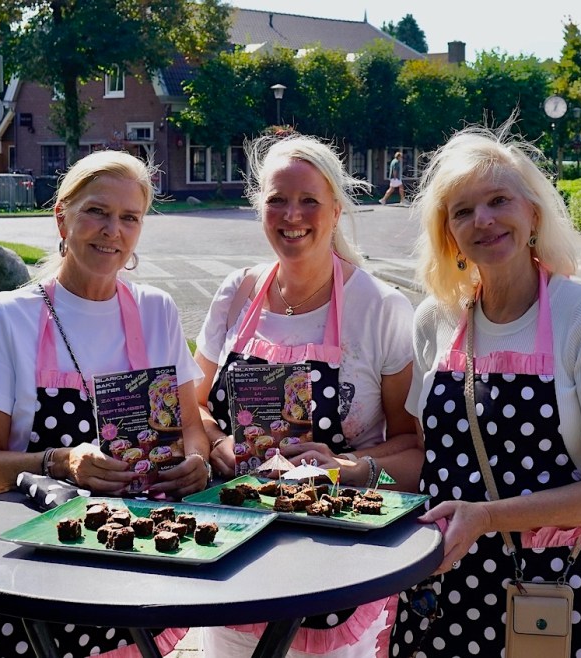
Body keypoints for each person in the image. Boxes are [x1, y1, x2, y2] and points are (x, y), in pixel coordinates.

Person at [0, 150, 210, 658]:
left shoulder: (156, 311)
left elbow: (190, 426)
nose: (113, 230)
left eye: (130, 217)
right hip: (36, 584)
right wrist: (59, 461)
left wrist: (195, 460)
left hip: (139, 574)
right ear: (61, 217)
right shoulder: (7, 319)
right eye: (97, 211)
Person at [389, 119, 581, 657]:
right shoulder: (435, 320)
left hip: (549, 590)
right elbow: (432, 462)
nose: (483, 219)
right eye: (462, 211)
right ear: (448, 234)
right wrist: (349, 470)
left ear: (534, 213)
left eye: (499, 200)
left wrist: (485, 518)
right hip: (441, 586)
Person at [194, 133, 424, 657]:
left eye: (309, 201)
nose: (292, 215)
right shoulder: (236, 293)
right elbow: (197, 404)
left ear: (337, 210)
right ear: (260, 208)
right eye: (277, 199)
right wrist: (216, 442)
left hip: (336, 555)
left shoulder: (379, 308)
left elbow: (413, 449)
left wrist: (350, 467)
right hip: (233, 548)